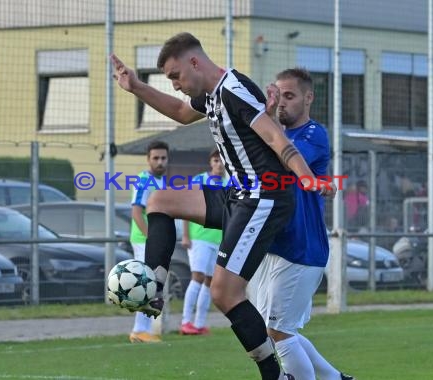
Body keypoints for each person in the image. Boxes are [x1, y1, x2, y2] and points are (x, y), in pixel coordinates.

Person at [111, 32, 332, 380]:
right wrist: (136, 87)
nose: (176, 85)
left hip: (264, 198)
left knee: (223, 292)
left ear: (195, 62)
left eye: (176, 76)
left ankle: (274, 375)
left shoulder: (235, 90)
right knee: (159, 200)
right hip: (238, 195)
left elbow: (276, 138)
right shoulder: (212, 95)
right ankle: (153, 288)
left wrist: (306, 176)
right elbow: (182, 113)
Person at [248, 68, 354, 380]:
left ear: (308, 98)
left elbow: (284, 161)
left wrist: (263, 124)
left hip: (301, 247)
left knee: (278, 331)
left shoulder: (313, 135)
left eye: (290, 96)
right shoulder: (275, 134)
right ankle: (336, 378)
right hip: (273, 247)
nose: (282, 103)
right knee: (276, 330)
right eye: (278, 97)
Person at [180, 149, 226, 335]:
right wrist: (185, 235)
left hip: (218, 240)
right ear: (210, 162)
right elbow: (186, 208)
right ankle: (185, 322)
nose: (220, 164)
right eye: (216, 160)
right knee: (197, 277)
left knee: (209, 281)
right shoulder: (199, 180)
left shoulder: (229, 183)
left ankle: (199, 324)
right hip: (199, 238)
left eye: (222, 160)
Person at [128, 140, 169, 343]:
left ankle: (144, 329)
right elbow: (136, 212)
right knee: (147, 283)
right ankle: (139, 330)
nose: (160, 162)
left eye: (163, 158)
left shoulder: (163, 182)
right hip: (143, 240)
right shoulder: (144, 180)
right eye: (156, 158)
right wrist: (150, 238)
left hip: (154, 241)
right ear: (148, 159)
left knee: (151, 283)